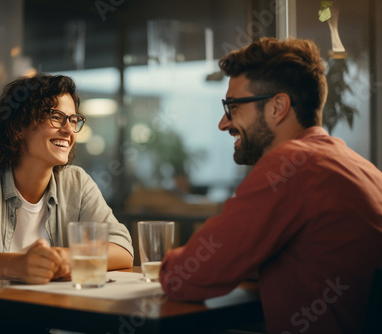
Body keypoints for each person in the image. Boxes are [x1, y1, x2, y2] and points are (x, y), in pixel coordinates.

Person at [159, 37, 382, 334]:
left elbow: (183, 277)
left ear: (278, 106)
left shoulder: (290, 166)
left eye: (233, 106)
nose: (223, 124)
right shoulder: (356, 165)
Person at [0, 74, 134, 334]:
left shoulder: (77, 182)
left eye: (73, 120)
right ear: (19, 126)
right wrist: (19, 266)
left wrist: (65, 258)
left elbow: (122, 248)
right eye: (56, 117)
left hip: (44, 322)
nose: (69, 130)